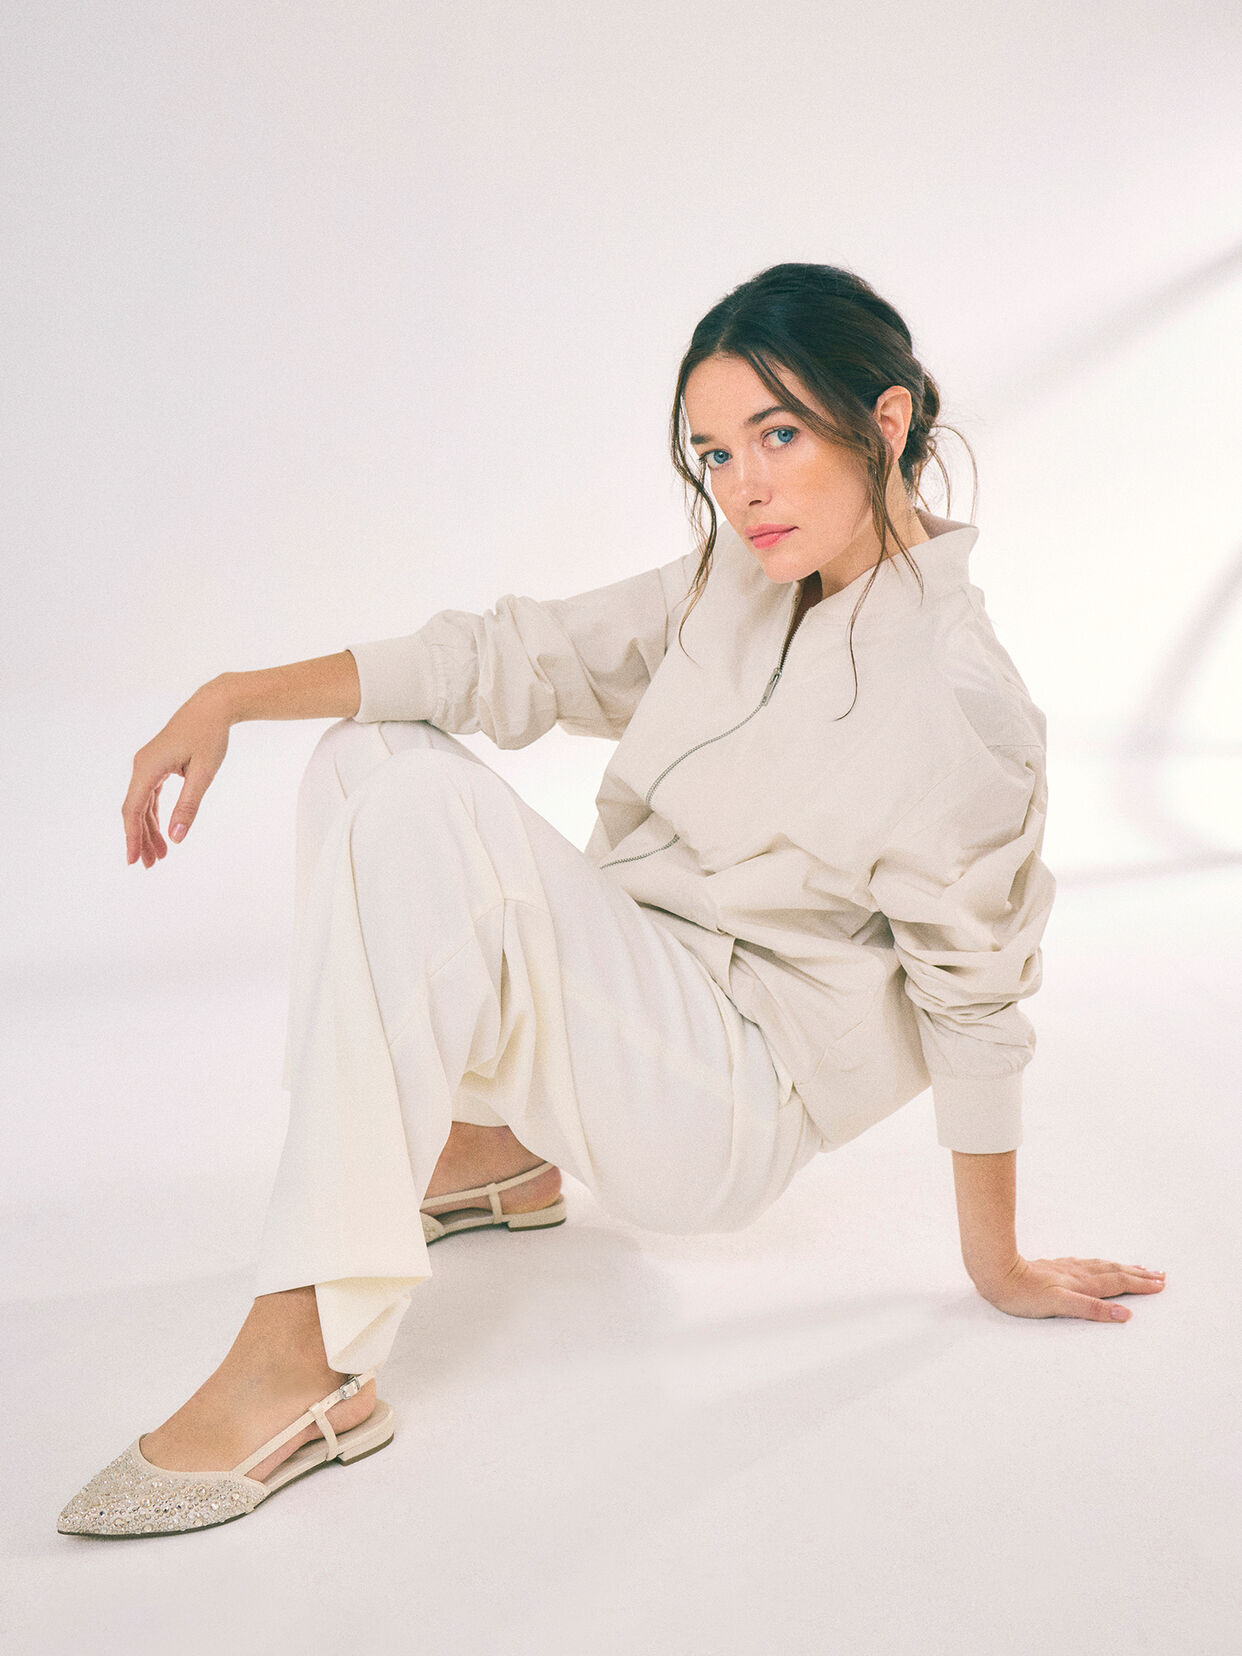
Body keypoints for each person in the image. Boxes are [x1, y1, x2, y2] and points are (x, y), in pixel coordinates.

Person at [58, 262, 1166, 1538]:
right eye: (715, 453)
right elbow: (515, 656)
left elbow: (975, 998)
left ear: (888, 420)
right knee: (370, 756)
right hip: (638, 989)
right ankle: (493, 1153)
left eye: (780, 435)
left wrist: (997, 1262)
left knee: (422, 816)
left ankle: (302, 1356)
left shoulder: (958, 700)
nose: (744, 486)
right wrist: (232, 695)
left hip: (724, 1102)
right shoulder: (742, 578)